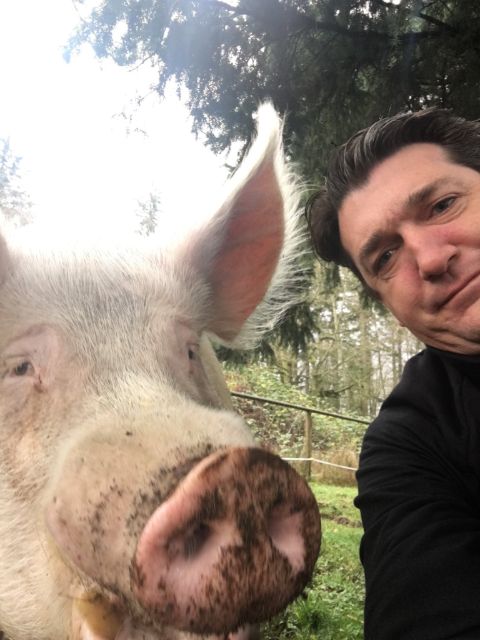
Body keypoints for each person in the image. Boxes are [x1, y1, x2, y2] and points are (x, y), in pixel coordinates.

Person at [306, 108, 480, 640]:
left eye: (443, 205)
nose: (429, 259)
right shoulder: (409, 443)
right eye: (385, 257)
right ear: (388, 305)